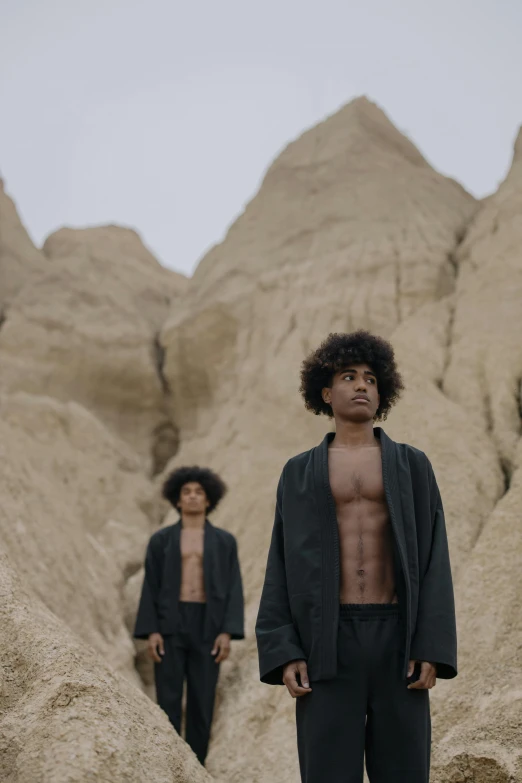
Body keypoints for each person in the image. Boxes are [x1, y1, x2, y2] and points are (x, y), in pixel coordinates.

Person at [256, 331, 457, 783]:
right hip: (326, 640)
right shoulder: (298, 472)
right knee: (328, 773)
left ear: (383, 391)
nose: (362, 385)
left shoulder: (412, 465)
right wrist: (285, 648)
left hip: (397, 640)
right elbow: (281, 563)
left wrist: (431, 645)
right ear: (326, 393)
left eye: (370, 378)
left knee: (404, 772)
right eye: (349, 377)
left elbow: (434, 558)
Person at [134, 466, 244, 765]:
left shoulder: (224, 541)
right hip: (170, 623)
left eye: (199, 492)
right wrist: (152, 630)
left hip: (208, 625)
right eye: (187, 492)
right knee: (167, 698)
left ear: (209, 500)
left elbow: (234, 586)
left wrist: (227, 631)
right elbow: (151, 585)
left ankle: (196, 765)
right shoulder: (161, 540)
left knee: (202, 699)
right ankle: (167, 763)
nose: (193, 497)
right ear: (177, 500)